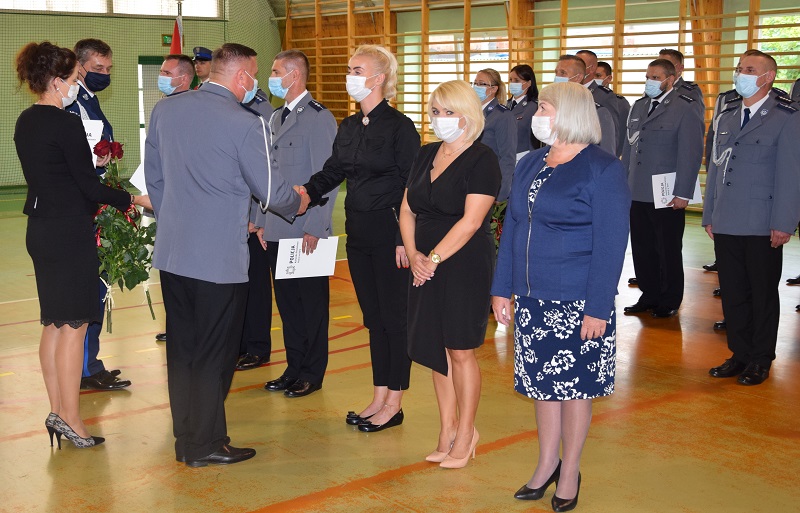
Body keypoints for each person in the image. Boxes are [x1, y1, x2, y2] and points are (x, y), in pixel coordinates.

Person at [144, 43, 311, 467]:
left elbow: (155, 180)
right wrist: (299, 200)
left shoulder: (166, 110)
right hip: (218, 259)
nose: (256, 83)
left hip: (173, 254)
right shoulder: (245, 122)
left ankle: (187, 438)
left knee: (183, 349)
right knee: (215, 354)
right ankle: (206, 443)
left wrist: (177, 220)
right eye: (254, 74)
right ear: (241, 77)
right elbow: (270, 190)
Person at [491, 82, 630, 512]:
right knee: (542, 387)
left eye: (545, 108)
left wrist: (598, 307)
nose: (537, 115)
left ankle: (570, 471)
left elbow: (611, 244)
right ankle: (546, 463)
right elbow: (513, 227)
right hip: (533, 298)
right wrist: (502, 287)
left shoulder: (602, 168)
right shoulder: (532, 162)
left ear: (568, 113)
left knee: (574, 389)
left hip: (578, 300)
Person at [14, 41, 150, 448]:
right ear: (57, 82)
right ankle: (72, 418)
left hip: (41, 229)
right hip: (69, 232)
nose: (77, 85)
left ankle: (58, 411)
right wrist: (134, 199)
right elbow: (89, 187)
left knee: (54, 324)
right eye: (74, 78)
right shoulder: (65, 123)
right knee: (74, 327)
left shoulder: (25, 120)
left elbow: (55, 175)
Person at [301, 44, 420, 431]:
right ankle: (379, 395)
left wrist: (405, 239)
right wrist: (304, 192)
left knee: (394, 319)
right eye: (349, 69)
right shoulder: (350, 126)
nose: (349, 76)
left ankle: (395, 403)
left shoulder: (400, 127)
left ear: (379, 78)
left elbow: (412, 185)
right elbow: (333, 171)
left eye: (357, 70)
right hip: (358, 233)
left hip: (391, 234)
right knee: (374, 319)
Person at [399, 80, 501, 468]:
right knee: (435, 348)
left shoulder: (482, 159)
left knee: (460, 349)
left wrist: (433, 259)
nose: (439, 119)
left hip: (462, 263)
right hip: (423, 262)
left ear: (467, 115)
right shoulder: (426, 153)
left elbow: (471, 221)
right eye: (435, 112)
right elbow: (407, 209)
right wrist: (414, 254)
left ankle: (467, 432)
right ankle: (447, 429)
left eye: (448, 112)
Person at [703, 50, 800, 386]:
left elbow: (791, 175)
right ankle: (739, 353)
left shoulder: (787, 116)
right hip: (727, 218)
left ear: (768, 76)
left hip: (762, 221)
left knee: (762, 294)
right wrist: (710, 213)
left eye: (749, 69)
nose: (740, 74)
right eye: (739, 68)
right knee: (732, 293)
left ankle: (760, 358)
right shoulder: (727, 115)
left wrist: (784, 222)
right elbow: (715, 168)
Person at [254, 50, 338, 396]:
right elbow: (268, 177)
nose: (271, 77)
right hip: (277, 228)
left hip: (305, 230)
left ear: (295, 75)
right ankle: (293, 368)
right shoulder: (276, 117)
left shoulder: (318, 118)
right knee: (288, 307)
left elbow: (327, 178)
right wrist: (260, 221)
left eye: (276, 71)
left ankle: (312, 373)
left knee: (311, 307)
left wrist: (316, 226)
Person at [64, 38, 131, 391]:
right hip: (82, 208)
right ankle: (83, 369)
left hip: (97, 203)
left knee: (99, 286)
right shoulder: (69, 103)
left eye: (108, 69)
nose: (104, 74)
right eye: (97, 69)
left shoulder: (89, 100)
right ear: (78, 66)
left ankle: (90, 364)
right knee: (88, 289)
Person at [621, 58, 704, 318]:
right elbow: (628, 148)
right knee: (642, 246)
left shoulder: (684, 107)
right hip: (637, 189)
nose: (650, 82)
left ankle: (669, 299)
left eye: (656, 78)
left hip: (667, 192)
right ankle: (649, 294)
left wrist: (683, 192)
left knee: (667, 248)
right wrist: (622, 184)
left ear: (670, 79)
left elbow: (690, 153)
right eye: (648, 76)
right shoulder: (639, 106)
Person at [234, 87, 275, 366]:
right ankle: (238, 344)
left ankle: (257, 346)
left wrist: (258, 217)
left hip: (251, 218)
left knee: (256, 285)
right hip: (229, 215)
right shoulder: (224, 104)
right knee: (235, 285)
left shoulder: (261, 110)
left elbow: (267, 169)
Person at [554, 55, 616, 155]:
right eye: (556, 73)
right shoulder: (553, 107)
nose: (557, 77)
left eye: (563, 73)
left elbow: (607, 153)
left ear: (578, 78)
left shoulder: (597, 112)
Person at [472, 68, 516, 200]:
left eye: (481, 84)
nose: (476, 87)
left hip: (488, 180)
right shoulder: (470, 112)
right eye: (475, 83)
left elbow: (507, 157)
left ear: (493, 89)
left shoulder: (503, 116)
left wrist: (501, 192)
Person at [576, 50, 621, 156]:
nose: (576, 66)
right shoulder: (567, 94)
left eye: (580, 63)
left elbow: (610, 136)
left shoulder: (604, 96)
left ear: (591, 68)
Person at [595, 61, 630, 159]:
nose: (594, 79)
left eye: (598, 76)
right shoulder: (584, 98)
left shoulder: (620, 102)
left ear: (609, 78)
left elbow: (621, 135)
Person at [507, 64, 540, 161]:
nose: (512, 83)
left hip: (523, 157)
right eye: (510, 80)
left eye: (516, 80)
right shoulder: (505, 105)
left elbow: (535, 139)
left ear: (528, 83)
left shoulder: (534, 107)